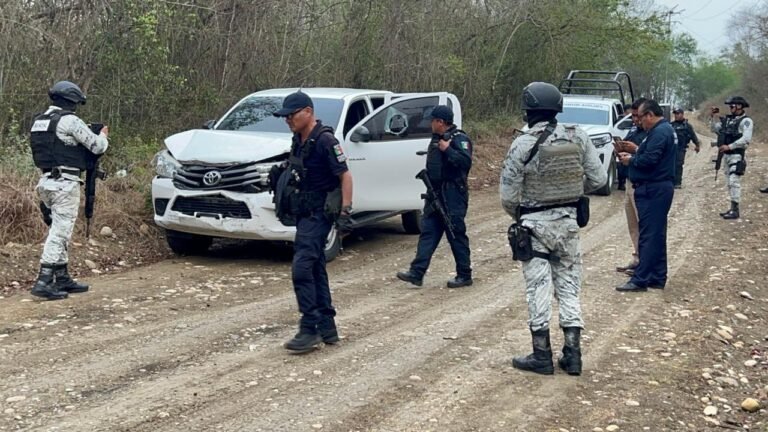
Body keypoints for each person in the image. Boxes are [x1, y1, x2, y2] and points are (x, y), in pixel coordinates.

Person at [500, 82, 607, 376]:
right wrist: (570, 193)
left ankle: (541, 356)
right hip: (569, 224)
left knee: (538, 288)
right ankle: (573, 356)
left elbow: (508, 196)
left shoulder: (523, 143)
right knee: (569, 287)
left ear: (529, 109)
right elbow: (597, 180)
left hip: (534, 226)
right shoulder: (579, 136)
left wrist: (525, 211)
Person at [272, 91, 354, 353]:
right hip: (304, 214)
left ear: (308, 111)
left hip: (319, 214)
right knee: (316, 267)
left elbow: (345, 176)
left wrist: (345, 212)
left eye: (292, 116)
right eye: (285, 117)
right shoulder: (298, 140)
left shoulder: (325, 140)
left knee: (302, 268)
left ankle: (309, 328)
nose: (288, 121)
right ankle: (327, 327)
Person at [30, 80, 109, 300]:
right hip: (65, 183)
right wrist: (103, 134)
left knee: (59, 228)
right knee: (60, 232)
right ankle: (44, 279)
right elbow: (97, 146)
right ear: (71, 101)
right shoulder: (70, 121)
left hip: (45, 181)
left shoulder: (38, 121)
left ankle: (62, 276)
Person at [396, 105, 473, 288]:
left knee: (456, 234)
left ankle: (465, 274)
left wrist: (448, 150)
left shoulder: (459, 139)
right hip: (435, 194)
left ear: (440, 122)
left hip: (453, 194)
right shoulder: (436, 139)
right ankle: (417, 273)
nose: (430, 124)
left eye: (433, 120)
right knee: (428, 233)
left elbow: (465, 162)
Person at [615, 99, 676, 292]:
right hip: (656, 187)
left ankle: (640, 279)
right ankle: (657, 276)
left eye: (641, 117)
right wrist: (636, 151)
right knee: (656, 234)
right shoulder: (662, 130)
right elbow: (650, 153)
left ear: (650, 115)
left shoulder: (660, 131)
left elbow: (650, 159)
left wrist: (630, 160)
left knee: (648, 235)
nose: (639, 121)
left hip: (654, 188)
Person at [613, 98, 647, 276]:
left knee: (644, 224)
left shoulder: (653, 133)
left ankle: (645, 262)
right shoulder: (634, 130)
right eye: (632, 116)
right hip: (629, 179)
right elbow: (627, 145)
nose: (634, 119)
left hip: (643, 183)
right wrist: (619, 148)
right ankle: (637, 257)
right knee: (633, 224)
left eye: (637, 116)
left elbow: (651, 155)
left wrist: (635, 149)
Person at [709, 97, 753, 219]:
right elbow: (714, 129)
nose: (731, 108)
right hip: (726, 156)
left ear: (739, 106)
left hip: (736, 154)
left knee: (734, 181)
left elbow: (746, 139)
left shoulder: (746, 121)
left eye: (732, 106)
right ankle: (732, 208)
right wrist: (712, 117)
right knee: (729, 183)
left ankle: (736, 210)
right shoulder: (728, 121)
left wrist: (729, 146)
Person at [671, 107, 701, 189]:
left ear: (682, 114)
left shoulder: (687, 126)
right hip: (671, 149)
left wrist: (697, 145)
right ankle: (670, 182)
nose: (676, 115)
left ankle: (677, 183)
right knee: (670, 165)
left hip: (681, 148)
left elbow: (693, 136)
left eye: (678, 113)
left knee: (678, 164)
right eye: (675, 114)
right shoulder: (671, 125)